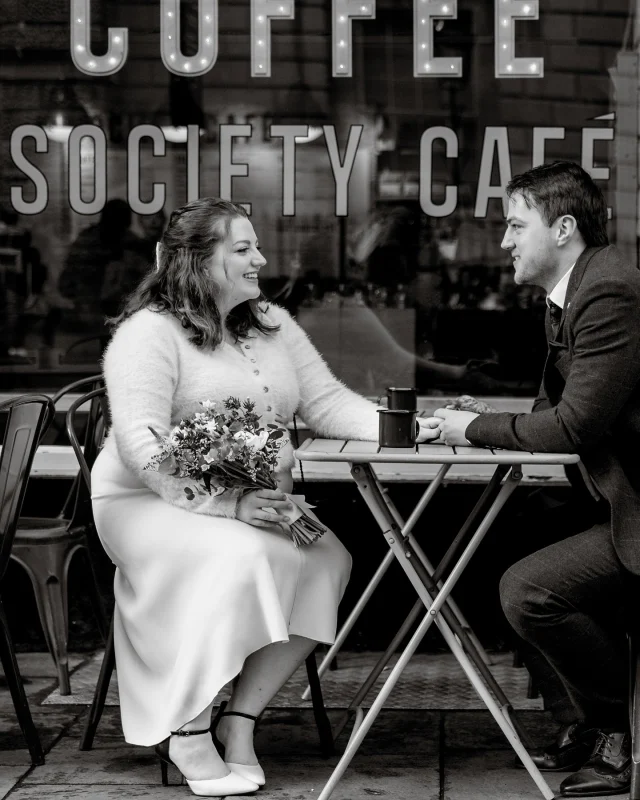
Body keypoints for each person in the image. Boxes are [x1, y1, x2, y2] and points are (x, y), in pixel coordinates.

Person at [91, 197, 434, 797]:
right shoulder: (148, 333)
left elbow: (325, 402)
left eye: (257, 246)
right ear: (195, 261)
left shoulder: (271, 322)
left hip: (248, 497)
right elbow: (141, 447)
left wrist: (402, 425)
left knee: (328, 559)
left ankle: (240, 719)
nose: (262, 258)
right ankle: (189, 730)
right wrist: (227, 505)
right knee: (249, 556)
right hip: (146, 503)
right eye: (243, 248)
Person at [426, 161, 640, 797]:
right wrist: (484, 417)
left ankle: (620, 729)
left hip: (634, 507)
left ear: (564, 227)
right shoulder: (576, 290)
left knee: (530, 590)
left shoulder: (608, 292)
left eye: (516, 225)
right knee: (505, 547)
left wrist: (474, 431)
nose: (504, 241)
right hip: (608, 495)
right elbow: (568, 409)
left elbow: (573, 426)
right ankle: (582, 720)